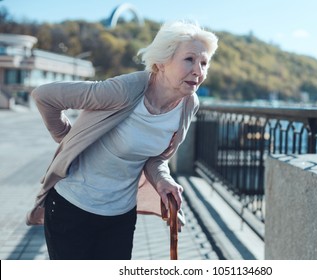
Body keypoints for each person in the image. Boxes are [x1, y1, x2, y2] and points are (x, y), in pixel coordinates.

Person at [26, 20, 218, 260]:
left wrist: (163, 181)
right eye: (189, 59)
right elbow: (45, 96)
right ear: (162, 61)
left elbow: (156, 157)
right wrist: (66, 138)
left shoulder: (189, 104)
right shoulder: (124, 90)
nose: (199, 71)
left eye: (204, 63)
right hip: (72, 207)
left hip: (121, 215)